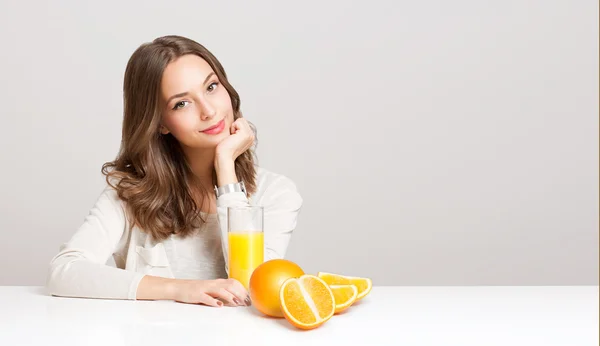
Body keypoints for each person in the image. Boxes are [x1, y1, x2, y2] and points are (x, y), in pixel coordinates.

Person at [46, 35, 303, 308]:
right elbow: (64, 272)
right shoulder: (131, 193)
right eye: (181, 103)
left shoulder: (276, 193)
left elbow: (253, 287)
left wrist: (225, 164)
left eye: (212, 87)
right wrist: (180, 289)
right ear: (160, 123)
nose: (208, 111)